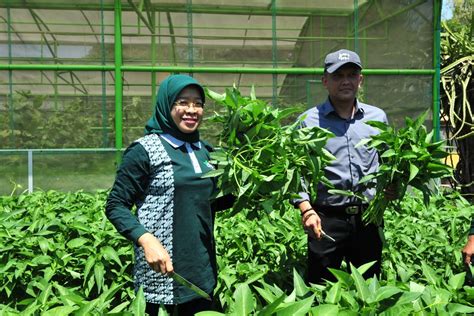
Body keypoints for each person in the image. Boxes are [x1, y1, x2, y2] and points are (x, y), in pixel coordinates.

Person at [106, 74, 232, 315]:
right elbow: (116, 205)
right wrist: (146, 239)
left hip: (202, 268)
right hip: (162, 270)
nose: (191, 110)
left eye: (198, 103)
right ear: (166, 105)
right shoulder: (144, 150)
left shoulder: (207, 152)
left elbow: (210, 203)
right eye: (182, 102)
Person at [293, 49, 392, 284]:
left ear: (361, 79)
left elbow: (390, 162)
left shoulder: (377, 118)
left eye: (351, 74)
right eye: (338, 76)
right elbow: (297, 171)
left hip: (368, 218)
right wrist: (306, 209)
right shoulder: (308, 121)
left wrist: (391, 187)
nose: (345, 81)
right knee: (321, 288)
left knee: (369, 287)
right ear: (325, 81)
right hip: (326, 219)